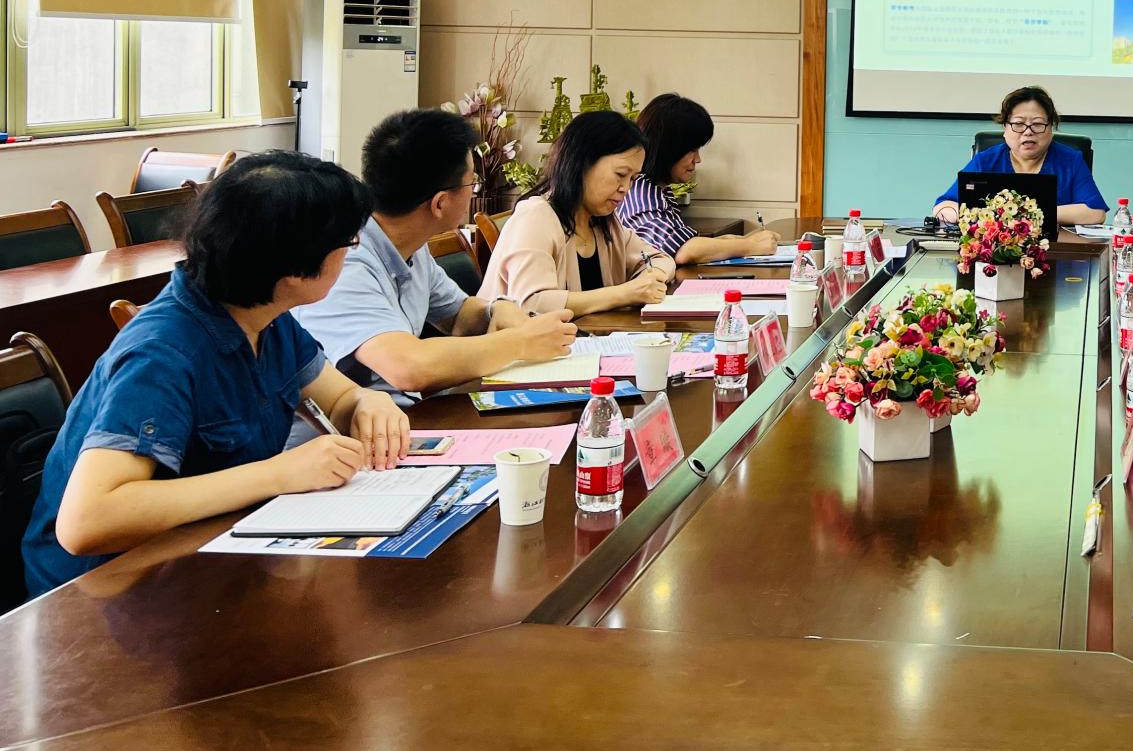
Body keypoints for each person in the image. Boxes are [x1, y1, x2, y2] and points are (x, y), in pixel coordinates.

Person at [21, 151, 412, 596]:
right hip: (105, 593)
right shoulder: (163, 352)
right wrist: (277, 474)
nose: (349, 252)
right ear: (293, 267)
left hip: (206, 560)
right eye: (347, 242)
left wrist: (368, 401)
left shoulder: (266, 317)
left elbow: (339, 398)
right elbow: (87, 521)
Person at [294, 108, 578, 399]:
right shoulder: (345, 259)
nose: (473, 192)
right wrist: (520, 342)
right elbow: (408, 368)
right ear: (440, 203)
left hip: (407, 414)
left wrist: (495, 309)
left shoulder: (412, 245)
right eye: (471, 183)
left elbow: (458, 315)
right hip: (356, 424)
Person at [480, 110, 675, 316]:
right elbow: (531, 304)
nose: (626, 188)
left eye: (633, 179)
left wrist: (651, 278)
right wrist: (625, 294)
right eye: (620, 174)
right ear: (581, 163)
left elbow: (661, 259)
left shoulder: (604, 222)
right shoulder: (536, 217)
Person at [621, 93, 781, 264]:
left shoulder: (659, 189)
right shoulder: (641, 193)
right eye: (692, 150)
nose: (697, 159)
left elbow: (683, 241)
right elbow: (683, 251)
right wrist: (750, 245)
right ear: (669, 149)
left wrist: (737, 241)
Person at [932, 86, 1107, 228]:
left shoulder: (1070, 161)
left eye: (1037, 124)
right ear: (1005, 129)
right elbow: (943, 206)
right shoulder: (985, 161)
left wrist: (1027, 214)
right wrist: (967, 215)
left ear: (1051, 128)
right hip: (994, 253)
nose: (1028, 132)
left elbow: (1095, 213)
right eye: (1018, 124)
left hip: (1056, 251)